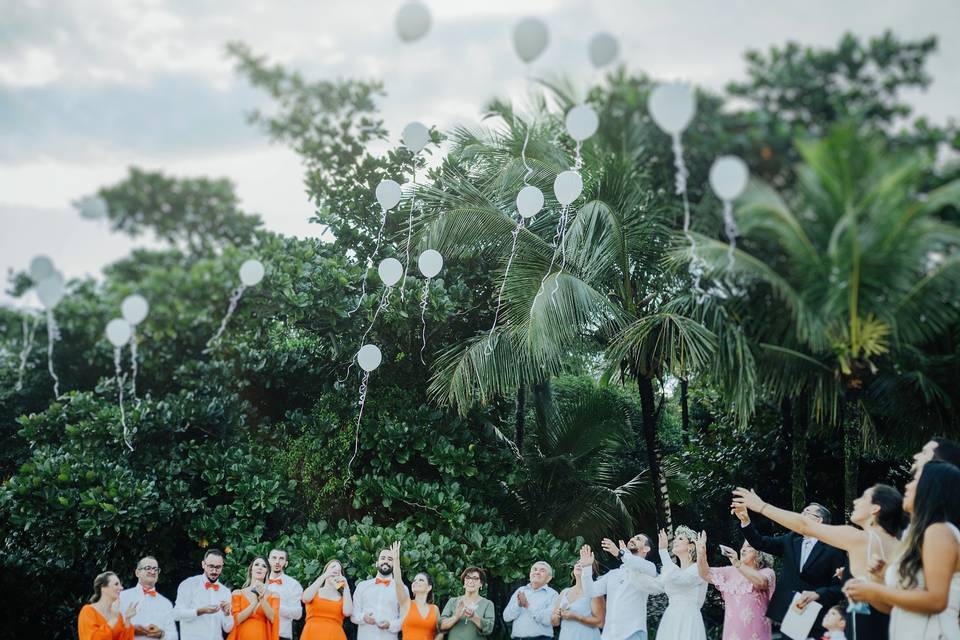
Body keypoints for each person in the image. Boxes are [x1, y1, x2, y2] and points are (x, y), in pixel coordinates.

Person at [733, 483, 904, 639]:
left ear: (875, 508)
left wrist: (761, 506)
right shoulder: (898, 544)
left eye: (864, 497)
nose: (856, 501)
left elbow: (803, 525)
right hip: (881, 621)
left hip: (851, 622)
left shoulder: (854, 539)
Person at [843, 461, 960, 640]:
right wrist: (880, 579)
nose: (907, 485)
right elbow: (894, 607)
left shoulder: (939, 532)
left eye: (915, 480)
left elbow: (937, 601)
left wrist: (876, 591)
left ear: (931, 488)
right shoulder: (917, 535)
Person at [732, 499, 846, 636]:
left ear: (819, 520)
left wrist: (818, 594)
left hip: (817, 619)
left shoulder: (834, 549)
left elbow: (839, 587)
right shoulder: (791, 540)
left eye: (807, 512)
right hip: (789, 615)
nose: (800, 515)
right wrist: (745, 521)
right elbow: (760, 542)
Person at [695, 531, 775, 640]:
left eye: (749, 546)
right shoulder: (729, 572)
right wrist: (701, 554)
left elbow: (761, 582)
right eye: (743, 547)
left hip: (757, 635)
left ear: (760, 552)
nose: (743, 549)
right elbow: (705, 574)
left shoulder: (767, 572)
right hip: (731, 635)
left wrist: (738, 563)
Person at [582, 533, 661, 640]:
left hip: (633, 633)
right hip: (609, 635)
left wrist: (620, 554)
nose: (632, 539)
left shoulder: (648, 568)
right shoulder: (613, 574)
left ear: (646, 549)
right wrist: (586, 568)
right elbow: (590, 592)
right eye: (632, 538)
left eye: (638, 539)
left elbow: (636, 564)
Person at [649, 527, 707, 640]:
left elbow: (679, 579)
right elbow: (656, 584)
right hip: (671, 617)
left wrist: (663, 551)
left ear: (691, 546)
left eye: (680, 539)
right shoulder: (675, 570)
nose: (675, 541)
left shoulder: (697, 569)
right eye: (675, 538)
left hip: (688, 617)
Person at [174, 549, 234, 640]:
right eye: (211, 566)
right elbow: (176, 615)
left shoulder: (225, 591)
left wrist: (227, 614)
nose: (214, 571)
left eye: (218, 567)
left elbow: (228, 629)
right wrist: (200, 611)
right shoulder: (188, 584)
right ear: (203, 564)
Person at [550, 545, 604, 640]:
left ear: (591, 571)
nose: (579, 564)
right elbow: (554, 622)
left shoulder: (595, 591)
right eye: (578, 562)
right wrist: (557, 615)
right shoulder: (564, 592)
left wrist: (576, 617)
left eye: (583, 563)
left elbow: (600, 623)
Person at [389, 541, 440, 640]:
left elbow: (439, 633)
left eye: (421, 580)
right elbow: (398, 581)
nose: (416, 582)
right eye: (414, 580)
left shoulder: (435, 609)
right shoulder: (406, 603)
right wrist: (395, 559)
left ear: (429, 588)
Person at [120, 556, 178, 640]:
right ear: (137, 573)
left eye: (156, 569)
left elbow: (174, 636)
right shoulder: (122, 597)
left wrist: (161, 634)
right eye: (148, 568)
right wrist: (131, 629)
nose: (152, 571)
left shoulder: (166, 603)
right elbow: (111, 628)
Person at [351, 547, 402, 640]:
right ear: (376, 563)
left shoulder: (401, 589)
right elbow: (353, 615)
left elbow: (405, 619)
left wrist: (391, 625)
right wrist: (363, 617)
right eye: (382, 558)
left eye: (390, 559)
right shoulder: (362, 586)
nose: (386, 561)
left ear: (395, 564)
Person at [503, 561, 559, 640]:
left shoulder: (553, 594)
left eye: (542, 570)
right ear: (530, 574)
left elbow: (548, 619)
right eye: (535, 569)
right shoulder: (521, 590)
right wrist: (518, 606)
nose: (537, 572)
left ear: (549, 578)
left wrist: (527, 606)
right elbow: (506, 616)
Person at [228, 556, 279, 640]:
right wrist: (253, 603)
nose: (260, 568)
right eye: (257, 564)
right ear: (251, 569)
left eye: (264, 566)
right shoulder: (238, 593)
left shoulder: (274, 595)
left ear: (267, 572)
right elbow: (235, 620)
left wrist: (262, 598)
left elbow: (274, 619)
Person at [301, 559, 353, 640]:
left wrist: (346, 587)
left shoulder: (342, 598)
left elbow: (348, 612)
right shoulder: (315, 591)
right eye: (333, 567)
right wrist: (325, 575)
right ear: (326, 571)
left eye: (339, 570)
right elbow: (305, 598)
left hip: (335, 636)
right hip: (311, 634)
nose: (336, 570)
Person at [79, 571, 139, 640]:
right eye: (116, 584)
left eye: (120, 584)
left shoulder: (118, 615)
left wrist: (128, 620)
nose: (121, 588)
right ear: (103, 588)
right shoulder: (88, 611)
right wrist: (113, 620)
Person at [439, 567, 495, 640]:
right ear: (464, 582)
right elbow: (441, 626)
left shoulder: (487, 604)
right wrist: (456, 616)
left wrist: (474, 617)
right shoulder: (453, 601)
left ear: (481, 583)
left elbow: (489, 629)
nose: (471, 581)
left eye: (475, 578)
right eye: (468, 578)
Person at [265, 549, 303, 640]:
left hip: (281, 634)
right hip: (261, 632)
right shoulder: (259, 581)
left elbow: (298, 614)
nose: (277, 562)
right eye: (274, 558)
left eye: (281, 559)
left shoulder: (294, 584)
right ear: (269, 561)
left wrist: (275, 606)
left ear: (286, 563)